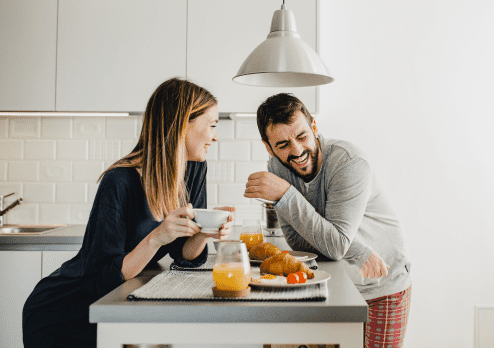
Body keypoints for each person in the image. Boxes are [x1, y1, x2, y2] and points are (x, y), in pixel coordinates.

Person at [23, 78, 235, 348]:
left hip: (115, 305)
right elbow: (102, 277)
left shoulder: (193, 169)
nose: (215, 136)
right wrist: (156, 238)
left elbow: (184, 255)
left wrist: (205, 232)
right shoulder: (120, 180)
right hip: (63, 312)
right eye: (212, 125)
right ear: (183, 124)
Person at [244, 93, 411, 348]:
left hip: (381, 285)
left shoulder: (348, 163)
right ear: (269, 147)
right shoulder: (277, 168)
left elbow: (335, 245)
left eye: (301, 137)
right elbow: (299, 240)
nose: (297, 151)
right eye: (283, 145)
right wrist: (356, 250)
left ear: (314, 127)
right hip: (336, 285)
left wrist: (285, 195)